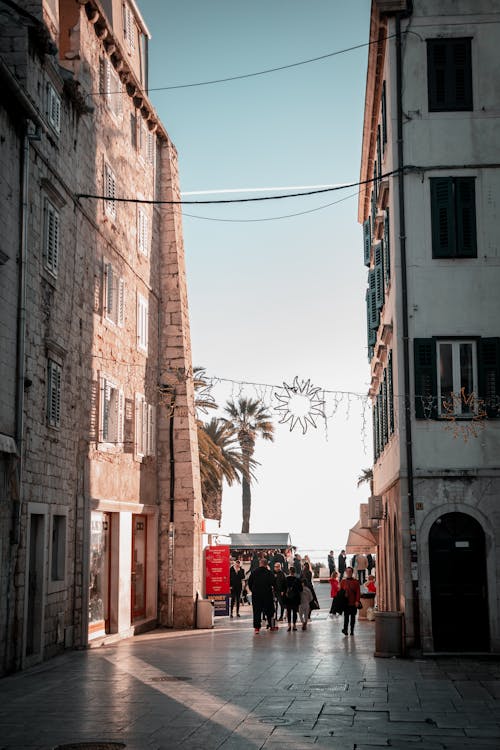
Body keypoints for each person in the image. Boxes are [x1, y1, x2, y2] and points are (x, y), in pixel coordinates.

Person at [247, 557, 277, 634]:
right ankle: (271, 626)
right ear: (266, 565)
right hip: (267, 594)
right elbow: (274, 583)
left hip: (256, 595)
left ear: (260, 564)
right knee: (269, 611)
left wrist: (252, 590)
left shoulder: (254, 572)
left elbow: (250, 582)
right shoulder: (269, 573)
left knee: (256, 611)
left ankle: (257, 628)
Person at [340, 567, 361, 636]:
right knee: (346, 618)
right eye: (347, 571)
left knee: (353, 618)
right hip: (346, 603)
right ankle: (345, 630)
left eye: (350, 572)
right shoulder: (343, 582)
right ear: (346, 573)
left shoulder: (356, 582)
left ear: (352, 573)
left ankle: (352, 631)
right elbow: (340, 592)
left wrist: (357, 601)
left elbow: (358, 592)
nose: (348, 573)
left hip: (353, 603)